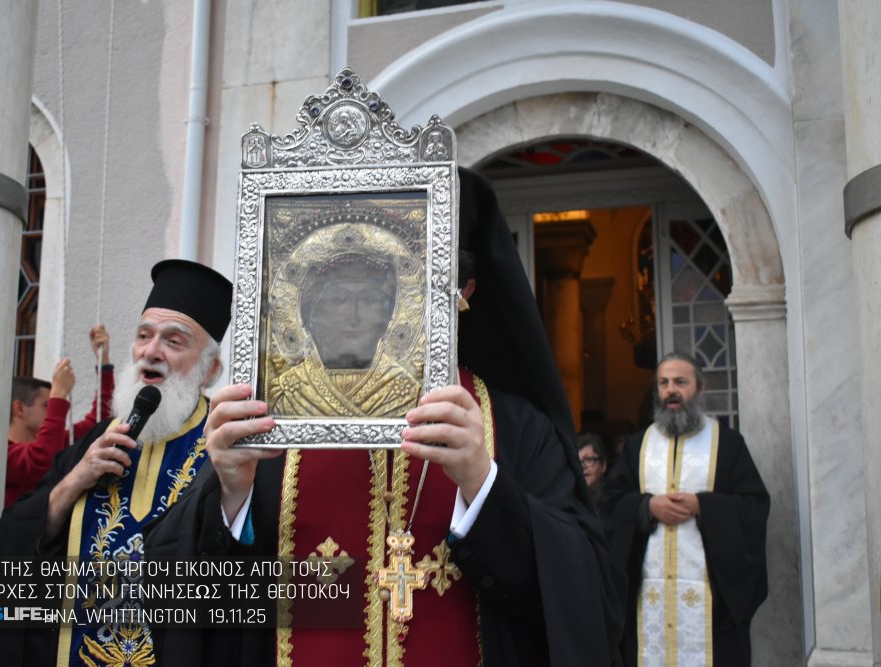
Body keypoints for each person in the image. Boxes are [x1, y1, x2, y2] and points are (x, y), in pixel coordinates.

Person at [144, 168, 625, 666]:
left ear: (465, 292)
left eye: (384, 289)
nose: (358, 311)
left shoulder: (516, 427)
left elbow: (589, 596)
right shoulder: (270, 422)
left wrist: (483, 485)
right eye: (341, 290)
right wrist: (231, 498)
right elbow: (180, 594)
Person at [0, 260, 233, 667]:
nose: (151, 351)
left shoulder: (223, 447)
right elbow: (12, 542)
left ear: (211, 369)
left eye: (174, 341)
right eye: (144, 336)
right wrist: (70, 485)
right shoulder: (95, 442)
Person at [601, 351, 770, 666]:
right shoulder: (639, 446)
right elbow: (610, 504)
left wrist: (703, 505)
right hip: (647, 598)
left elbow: (753, 507)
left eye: (680, 382)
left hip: (711, 603)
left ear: (700, 389)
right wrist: (646, 507)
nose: (670, 391)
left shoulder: (728, 444)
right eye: (663, 383)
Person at [266, 233, 423, 419]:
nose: (353, 317)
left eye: (368, 299)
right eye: (338, 299)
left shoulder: (412, 396)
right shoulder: (285, 395)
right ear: (310, 314)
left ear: (389, 314)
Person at [5, 325, 114, 506]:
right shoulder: (3, 456)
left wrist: (104, 361)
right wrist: (59, 396)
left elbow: (99, 421)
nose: (53, 410)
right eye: (46, 405)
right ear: (19, 409)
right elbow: (40, 460)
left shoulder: (56, 443)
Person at [577, 432, 608, 508]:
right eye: (577, 461)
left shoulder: (612, 500)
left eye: (588, 459)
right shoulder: (568, 498)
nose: (582, 466)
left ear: (603, 465)